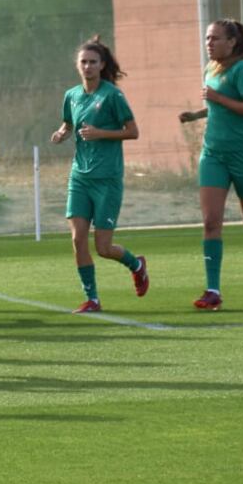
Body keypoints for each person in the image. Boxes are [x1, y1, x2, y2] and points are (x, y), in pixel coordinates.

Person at [180, 19, 243, 309]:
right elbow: (218, 104)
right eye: (207, 38)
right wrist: (196, 114)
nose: (209, 43)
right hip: (213, 155)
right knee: (211, 222)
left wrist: (216, 98)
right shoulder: (211, 69)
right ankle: (213, 291)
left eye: (215, 38)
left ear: (232, 42)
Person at [50, 36, 149, 313]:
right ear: (77, 65)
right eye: (83, 62)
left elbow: (133, 131)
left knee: (103, 247)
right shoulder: (71, 95)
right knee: (77, 238)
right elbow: (68, 124)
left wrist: (100, 133)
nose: (88, 66)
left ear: (102, 65)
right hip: (80, 177)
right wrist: (61, 133)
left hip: (107, 179)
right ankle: (92, 299)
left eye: (93, 62)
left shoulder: (112, 95)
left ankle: (136, 264)